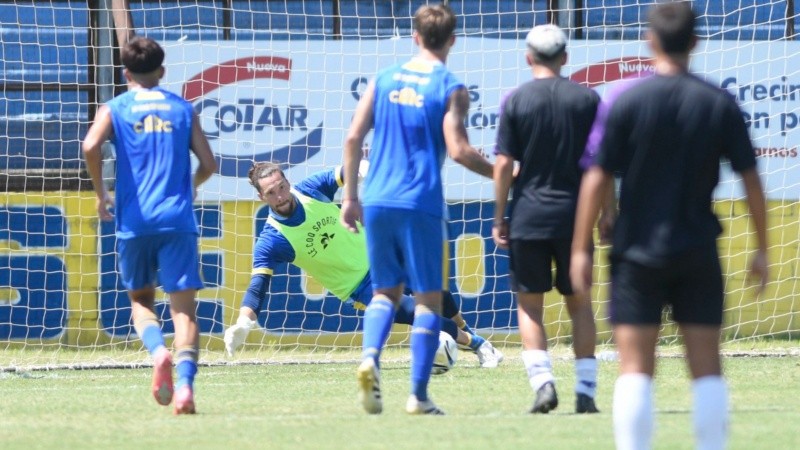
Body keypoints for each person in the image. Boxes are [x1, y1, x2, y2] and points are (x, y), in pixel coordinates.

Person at [570, 2, 768, 449]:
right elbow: (751, 179)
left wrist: (580, 248)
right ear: (696, 42)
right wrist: (762, 247)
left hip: (636, 252)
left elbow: (596, 175)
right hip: (697, 248)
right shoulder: (717, 102)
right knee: (706, 366)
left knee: (636, 368)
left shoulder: (624, 100)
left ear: (650, 40)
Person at [340, 3, 495, 415]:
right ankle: (418, 395)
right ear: (453, 40)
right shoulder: (450, 86)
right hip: (419, 201)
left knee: (384, 293)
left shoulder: (384, 78)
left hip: (376, 199)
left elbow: (353, 138)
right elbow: (460, 151)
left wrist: (351, 196)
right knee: (427, 301)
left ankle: (370, 358)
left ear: (414, 36)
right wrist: (500, 173)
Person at [222, 161, 503, 369]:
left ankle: (467, 333)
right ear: (261, 197)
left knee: (435, 292)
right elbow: (258, 286)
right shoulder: (272, 239)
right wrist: (244, 323)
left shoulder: (310, 189)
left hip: (383, 254)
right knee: (418, 314)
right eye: (271, 193)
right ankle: (480, 346)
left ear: (288, 181)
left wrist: (366, 169)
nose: (280, 196)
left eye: (282, 187)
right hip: (361, 287)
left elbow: (347, 170)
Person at [82, 36, 217, 415]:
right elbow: (210, 164)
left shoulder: (115, 107)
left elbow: (90, 146)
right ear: (162, 71)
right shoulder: (182, 108)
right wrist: (189, 185)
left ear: (125, 73)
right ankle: (186, 388)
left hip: (135, 220)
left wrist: (101, 192)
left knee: (141, 301)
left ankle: (159, 353)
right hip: (177, 219)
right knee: (185, 313)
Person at [492, 24, 601, 415]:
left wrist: (499, 215)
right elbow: (599, 167)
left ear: (528, 57)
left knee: (530, 308)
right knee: (580, 304)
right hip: (575, 217)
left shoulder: (516, 100)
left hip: (529, 216)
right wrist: (609, 215)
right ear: (565, 58)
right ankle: (586, 391)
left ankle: (543, 385)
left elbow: (504, 164)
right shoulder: (587, 99)